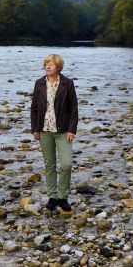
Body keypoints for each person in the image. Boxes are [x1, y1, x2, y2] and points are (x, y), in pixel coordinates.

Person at [30, 54, 78, 211]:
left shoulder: (67, 83)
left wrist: (72, 129)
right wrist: (35, 129)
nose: (48, 66)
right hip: (44, 131)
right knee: (49, 165)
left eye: (51, 64)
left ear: (58, 67)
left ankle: (63, 197)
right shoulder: (39, 84)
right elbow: (34, 108)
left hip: (63, 131)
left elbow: (74, 109)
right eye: (46, 64)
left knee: (66, 164)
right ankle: (52, 197)